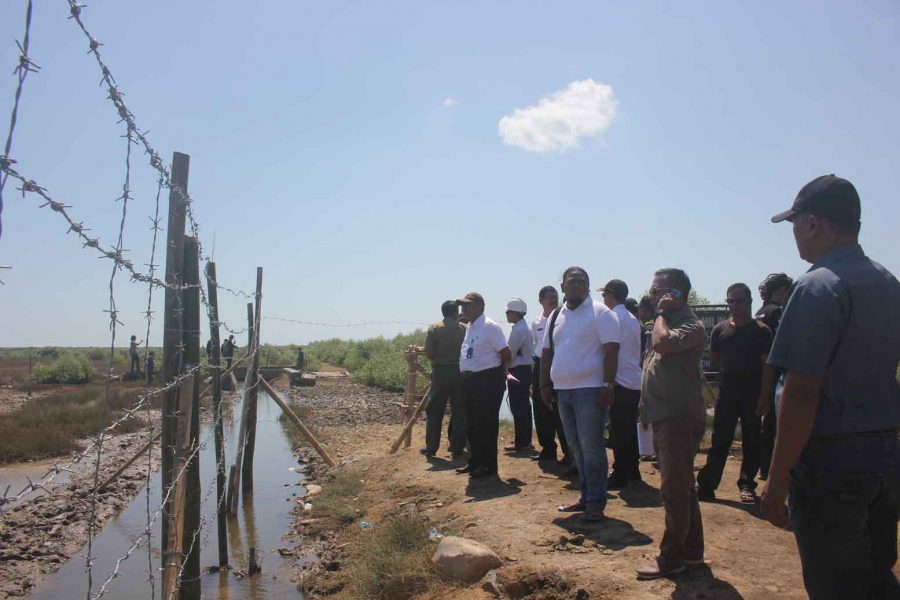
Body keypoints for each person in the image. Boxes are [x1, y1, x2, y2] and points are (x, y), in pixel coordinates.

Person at [761, 175, 900, 599]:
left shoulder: (816, 286)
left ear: (814, 224)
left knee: (835, 584)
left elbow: (802, 392)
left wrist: (777, 477)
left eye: (795, 223)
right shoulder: (888, 282)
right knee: (877, 576)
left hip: (831, 463)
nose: (795, 234)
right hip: (884, 454)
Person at [636, 268, 707, 580]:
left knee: (674, 490)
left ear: (678, 293)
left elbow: (663, 345)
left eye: (659, 291)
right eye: (652, 291)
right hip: (664, 415)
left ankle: (671, 559)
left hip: (679, 417)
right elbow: (653, 366)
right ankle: (692, 552)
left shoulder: (690, 325)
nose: (653, 296)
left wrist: (661, 314)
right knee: (684, 488)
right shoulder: (663, 324)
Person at [540, 267, 620, 521]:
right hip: (563, 391)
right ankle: (585, 496)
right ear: (562, 286)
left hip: (590, 390)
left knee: (592, 446)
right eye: (571, 281)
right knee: (575, 446)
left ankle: (596, 501)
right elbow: (546, 352)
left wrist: (608, 385)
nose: (576, 284)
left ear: (588, 286)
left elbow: (611, 350)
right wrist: (544, 385)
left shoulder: (601, 313)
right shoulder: (555, 316)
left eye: (582, 281)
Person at [696, 283, 772, 503]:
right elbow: (716, 359)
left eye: (739, 300)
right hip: (727, 394)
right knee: (720, 440)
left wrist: (764, 395)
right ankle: (707, 486)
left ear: (749, 302)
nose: (735, 305)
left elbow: (767, 365)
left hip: (753, 394)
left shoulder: (761, 331)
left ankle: (747, 486)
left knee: (751, 441)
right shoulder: (721, 330)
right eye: (731, 300)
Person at [455, 292, 511, 479]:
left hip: (487, 380)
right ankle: (475, 462)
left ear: (479, 307)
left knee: (485, 425)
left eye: (467, 306)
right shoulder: (471, 327)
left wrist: (502, 374)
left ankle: (488, 466)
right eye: (462, 305)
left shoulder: (489, 327)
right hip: (470, 380)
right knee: (472, 424)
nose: (463, 309)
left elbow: (505, 352)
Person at [598, 279, 643, 490]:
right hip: (633, 379)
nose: (603, 299)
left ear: (611, 295)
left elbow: (611, 351)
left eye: (604, 295)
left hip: (620, 380)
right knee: (628, 430)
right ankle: (632, 471)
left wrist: (608, 381)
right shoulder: (632, 317)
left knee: (619, 431)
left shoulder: (614, 317)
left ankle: (620, 473)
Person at [754, 273, 793, 481]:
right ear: (783, 290)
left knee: (764, 424)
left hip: (758, 374)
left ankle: (763, 466)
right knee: (775, 424)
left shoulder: (760, 312)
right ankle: (770, 468)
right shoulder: (776, 312)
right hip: (774, 373)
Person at [529, 286, 570, 464]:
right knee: (540, 408)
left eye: (555, 297)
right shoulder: (536, 321)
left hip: (558, 363)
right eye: (549, 297)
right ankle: (547, 448)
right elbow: (537, 346)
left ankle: (568, 452)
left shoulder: (563, 317)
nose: (553, 300)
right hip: (540, 364)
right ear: (540, 300)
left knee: (559, 410)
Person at [421, 300, 467, 458]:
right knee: (459, 410)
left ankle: (431, 447)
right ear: (456, 313)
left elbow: (429, 353)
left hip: (440, 372)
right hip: (460, 372)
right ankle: (457, 447)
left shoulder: (434, 328)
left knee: (435, 410)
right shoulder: (463, 329)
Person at [504, 297, 534, 452]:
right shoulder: (523, 328)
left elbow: (510, 353)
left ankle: (521, 442)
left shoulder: (518, 330)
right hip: (524, 369)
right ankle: (525, 440)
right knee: (524, 405)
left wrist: (504, 368)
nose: (506, 314)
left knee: (518, 406)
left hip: (518, 370)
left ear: (516, 313)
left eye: (508, 311)